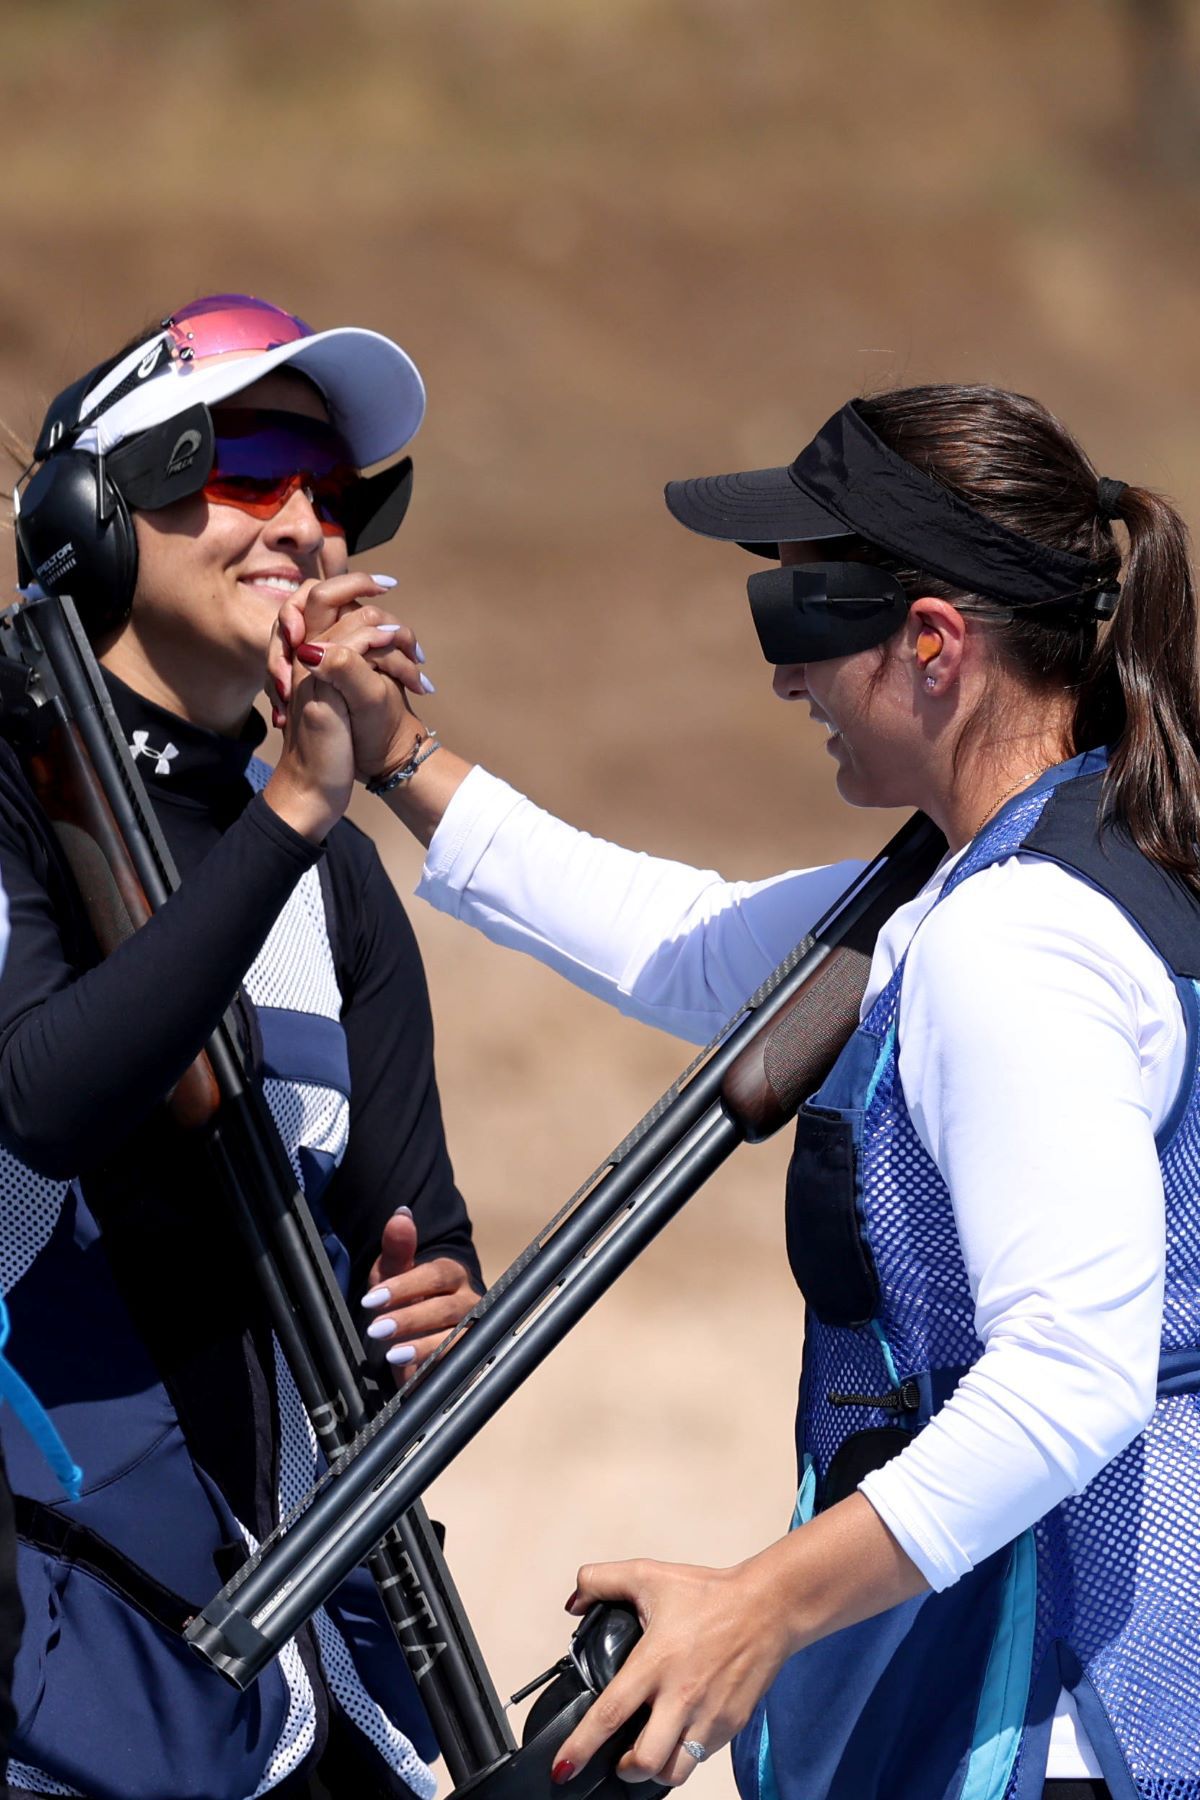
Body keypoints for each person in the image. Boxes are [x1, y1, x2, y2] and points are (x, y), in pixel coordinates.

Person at [273, 383, 1200, 1800]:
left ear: (937, 645)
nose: (781, 679)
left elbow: (1072, 1378)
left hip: (1076, 1723)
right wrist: (399, 755)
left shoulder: (1017, 941)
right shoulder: (1034, 868)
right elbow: (690, 946)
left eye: (798, 624)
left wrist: (758, 1605)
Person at [0, 293, 484, 1800]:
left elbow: (416, 1237)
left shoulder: (330, 875)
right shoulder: (17, 787)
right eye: (252, 460)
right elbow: (38, 1097)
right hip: (56, 1673)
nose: (304, 521)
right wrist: (288, 810)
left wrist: (436, 1313)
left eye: (337, 492)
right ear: (93, 504)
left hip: (322, 1670)